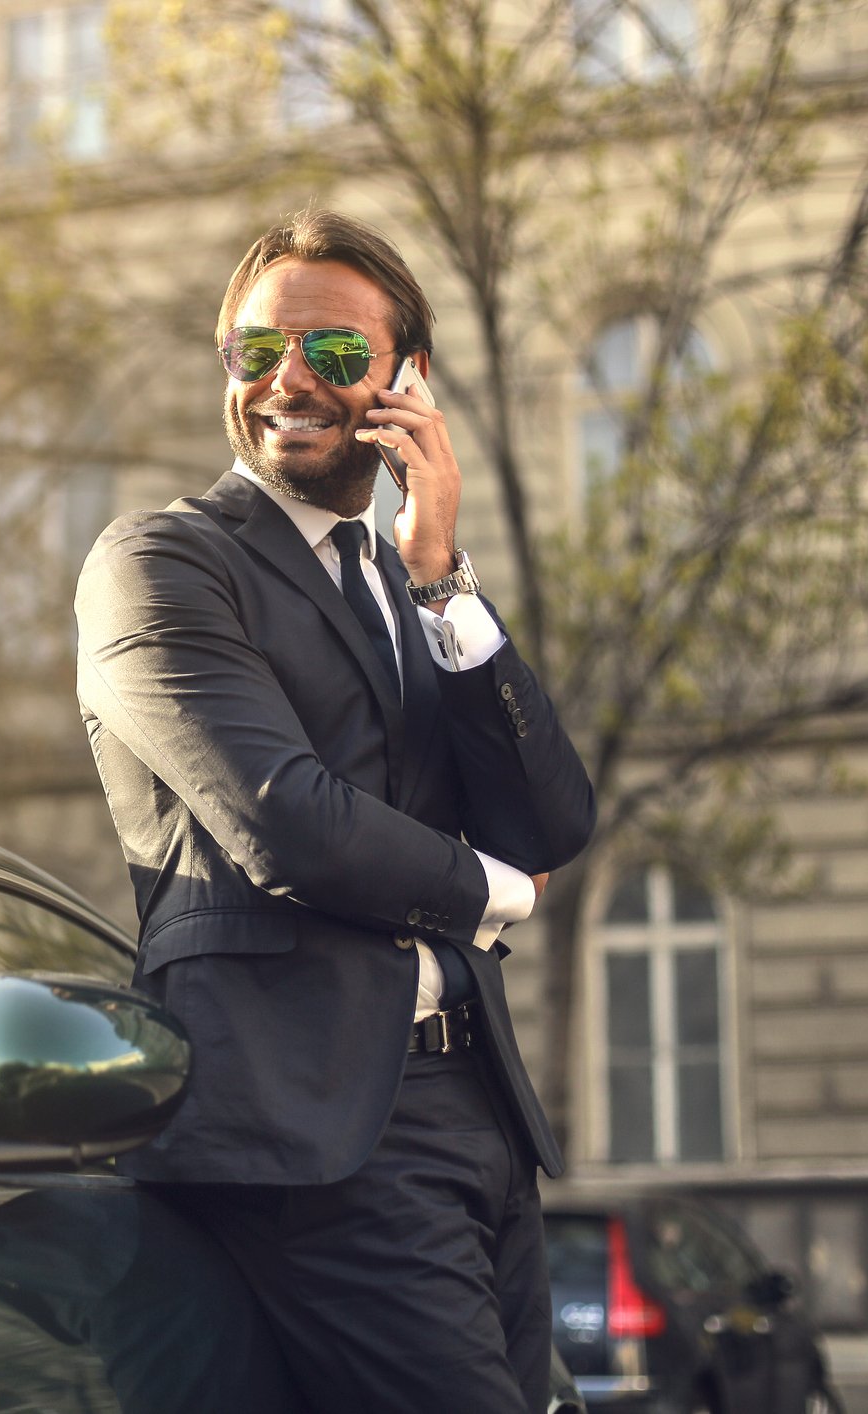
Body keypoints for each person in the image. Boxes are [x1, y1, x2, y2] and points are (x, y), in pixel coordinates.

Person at [73, 208, 595, 1413]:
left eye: (338, 355)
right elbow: (281, 818)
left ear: (407, 379)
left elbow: (552, 822)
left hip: (480, 1119)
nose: (290, 380)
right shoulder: (161, 562)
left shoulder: (404, 580)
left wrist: (440, 573)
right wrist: (500, 897)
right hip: (311, 1133)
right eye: (256, 352)